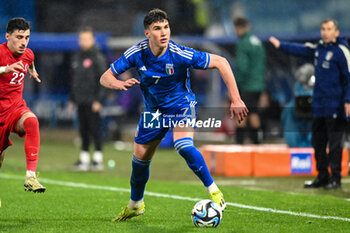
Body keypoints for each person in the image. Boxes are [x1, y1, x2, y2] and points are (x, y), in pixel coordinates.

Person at [100, 8, 248, 221]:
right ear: (147, 33)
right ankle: (135, 204)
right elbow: (105, 77)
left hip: (181, 106)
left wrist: (235, 98)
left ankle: (215, 192)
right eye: (157, 28)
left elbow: (221, 62)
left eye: (166, 27)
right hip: (154, 112)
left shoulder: (179, 53)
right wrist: (119, 83)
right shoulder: (136, 53)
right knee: (140, 157)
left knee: (183, 145)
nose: (163, 33)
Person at [270, 19, 350, 189]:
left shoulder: (342, 51)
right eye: (323, 29)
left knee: (335, 144)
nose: (325, 32)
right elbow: (300, 50)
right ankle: (322, 176)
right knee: (318, 142)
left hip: (335, 106)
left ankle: (335, 178)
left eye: (329, 29)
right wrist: (280, 45)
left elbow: (348, 78)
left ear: (336, 32)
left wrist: (348, 101)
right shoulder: (318, 48)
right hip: (319, 106)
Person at [0, 18, 45, 192]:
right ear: (7, 36)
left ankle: (31, 177)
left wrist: (32, 71)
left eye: (26, 37)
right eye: (19, 37)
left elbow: (30, 62)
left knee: (32, 121)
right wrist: (5, 69)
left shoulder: (28, 54)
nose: (23, 42)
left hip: (15, 108)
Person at [69, 26, 107, 171]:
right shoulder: (77, 57)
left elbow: (104, 80)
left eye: (87, 38)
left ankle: (97, 159)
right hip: (80, 100)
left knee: (95, 130)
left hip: (93, 101)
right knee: (83, 130)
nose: (84, 41)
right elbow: (74, 81)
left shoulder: (98, 57)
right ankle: (84, 160)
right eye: (82, 38)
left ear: (93, 40)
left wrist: (99, 100)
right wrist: (72, 99)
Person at [233, 17, 266, 144]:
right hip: (258, 85)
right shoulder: (257, 42)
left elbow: (242, 67)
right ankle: (257, 142)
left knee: (240, 114)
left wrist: (235, 85)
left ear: (238, 28)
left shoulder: (243, 43)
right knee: (253, 113)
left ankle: (239, 143)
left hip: (246, 85)